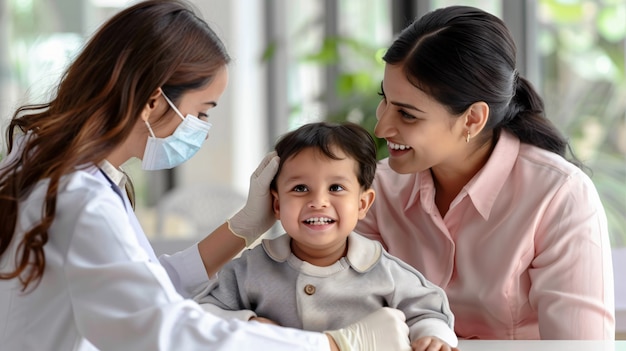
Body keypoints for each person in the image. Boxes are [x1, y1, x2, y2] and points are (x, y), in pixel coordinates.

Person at [0, 1, 412, 350]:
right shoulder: (81, 196)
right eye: (201, 112)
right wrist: (331, 343)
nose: (200, 127)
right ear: (152, 101)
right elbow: (161, 328)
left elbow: (144, 284)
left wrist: (244, 227)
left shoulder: (50, 164)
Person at [353, 5, 615, 340]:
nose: (381, 127)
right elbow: (352, 319)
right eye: (384, 100)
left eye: (407, 114)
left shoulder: (559, 194)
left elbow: (579, 347)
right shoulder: (377, 190)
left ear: (473, 119)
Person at [195, 121, 459, 351]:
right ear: (276, 205)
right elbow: (201, 314)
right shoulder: (250, 269)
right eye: (300, 188)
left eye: (336, 187)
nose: (318, 201)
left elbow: (428, 312)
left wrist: (432, 337)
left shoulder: (387, 272)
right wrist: (250, 324)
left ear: (363, 204)